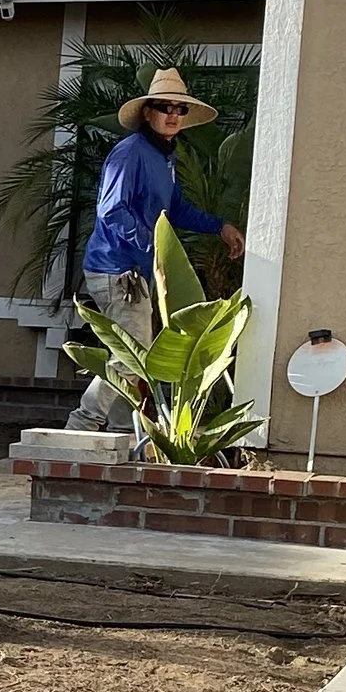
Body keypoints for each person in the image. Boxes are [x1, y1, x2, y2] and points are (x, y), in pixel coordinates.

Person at [64, 67, 245, 432]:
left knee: (137, 356)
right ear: (148, 112)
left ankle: (117, 435)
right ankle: (78, 429)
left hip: (136, 271)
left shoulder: (165, 156)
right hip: (117, 270)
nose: (173, 116)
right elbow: (112, 211)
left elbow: (175, 209)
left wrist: (220, 226)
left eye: (180, 109)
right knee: (132, 356)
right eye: (166, 108)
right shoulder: (129, 153)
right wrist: (154, 247)